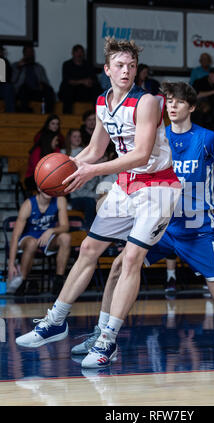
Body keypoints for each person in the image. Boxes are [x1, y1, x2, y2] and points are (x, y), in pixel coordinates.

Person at [70, 82, 214, 364]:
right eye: (169, 101)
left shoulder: (207, 138)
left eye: (179, 102)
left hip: (198, 231)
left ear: (191, 107)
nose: (172, 106)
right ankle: (102, 335)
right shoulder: (157, 137)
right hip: (163, 224)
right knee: (120, 266)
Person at [15, 38, 182, 367]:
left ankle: (107, 340)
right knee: (89, 250)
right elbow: (94, 149)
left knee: (131, 259)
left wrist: (92, 171)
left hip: (158, 186)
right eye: (120, 65)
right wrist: (71, 164)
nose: (126, 71)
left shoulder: (147, 101)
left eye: (132, 66)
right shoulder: (103, 103)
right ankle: (56, 320)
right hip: (125, 183)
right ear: (107, 70)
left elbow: (141, 154)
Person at [7, 190, 71, 295]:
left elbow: (65, 227)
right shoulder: (28, 204)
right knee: (32, 243)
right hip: (30, 237)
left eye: (50, 186)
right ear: (39, 187)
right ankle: (21, 281)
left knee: (65, 238)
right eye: (45, 186)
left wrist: (51, 230)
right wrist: (11, 264)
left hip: (47, 237)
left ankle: (58, 281)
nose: (48, 190)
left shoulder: (60, 200)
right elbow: (15, 236)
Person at [61, 129, 99, 230]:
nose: (77, 139)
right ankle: (89, 229)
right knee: (90, 202)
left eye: (79, 136)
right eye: (74, 136)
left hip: (89, 189)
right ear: (69, 138)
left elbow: (93, 175)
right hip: (74, 195)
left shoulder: (87, 152)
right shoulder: (63, 153)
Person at [58, 45, 101, 114]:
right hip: (72, 91)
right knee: (68, 90)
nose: (79, 54)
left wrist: (89, 82)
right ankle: (67, 116)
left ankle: (98, 114)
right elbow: (68, 80)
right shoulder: (67, 65)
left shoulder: (88, 65)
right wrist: (82, 81)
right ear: (73, 53)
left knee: (97, 89)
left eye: (81, 52)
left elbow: (93, 79)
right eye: (77, 52)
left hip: (84, 91)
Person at [11, 46, 55, 113]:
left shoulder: (39, 67)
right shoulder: (15, 65)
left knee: (49, 90)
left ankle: (48, 114)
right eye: (28, 52)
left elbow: (46, 82)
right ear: (24, 54)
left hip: (36, 91)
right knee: (24, 89)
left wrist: (43, 84)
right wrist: (18, 68)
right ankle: (24, 114)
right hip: (22, 91)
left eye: (32, 52)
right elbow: (12, 81)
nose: (30, 54)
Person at [0, 45, 15, 112]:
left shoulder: (5, 62)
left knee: (8, 87)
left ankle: (10, 115)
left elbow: (8, 78)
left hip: (2, 86)